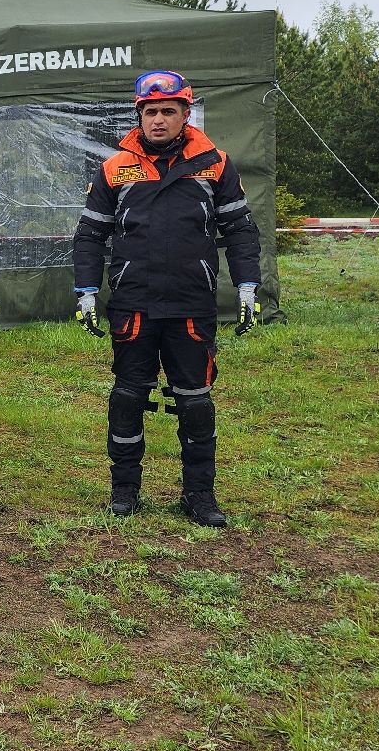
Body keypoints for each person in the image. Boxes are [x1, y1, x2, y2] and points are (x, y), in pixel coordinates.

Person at [71, 70, 261, 528]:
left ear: (185, 114)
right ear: (139, 115)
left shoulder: (215, 163)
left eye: (168, 111)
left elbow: (240, 230)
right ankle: (124, 491)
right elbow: (89, 236)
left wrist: (249, 286)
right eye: (150, 111)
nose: (158, 119)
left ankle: (199, 495)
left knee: (195, 401)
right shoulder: (115, 167)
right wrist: (86, 291)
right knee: (127, 397)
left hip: (192, 304)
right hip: (133, 303)